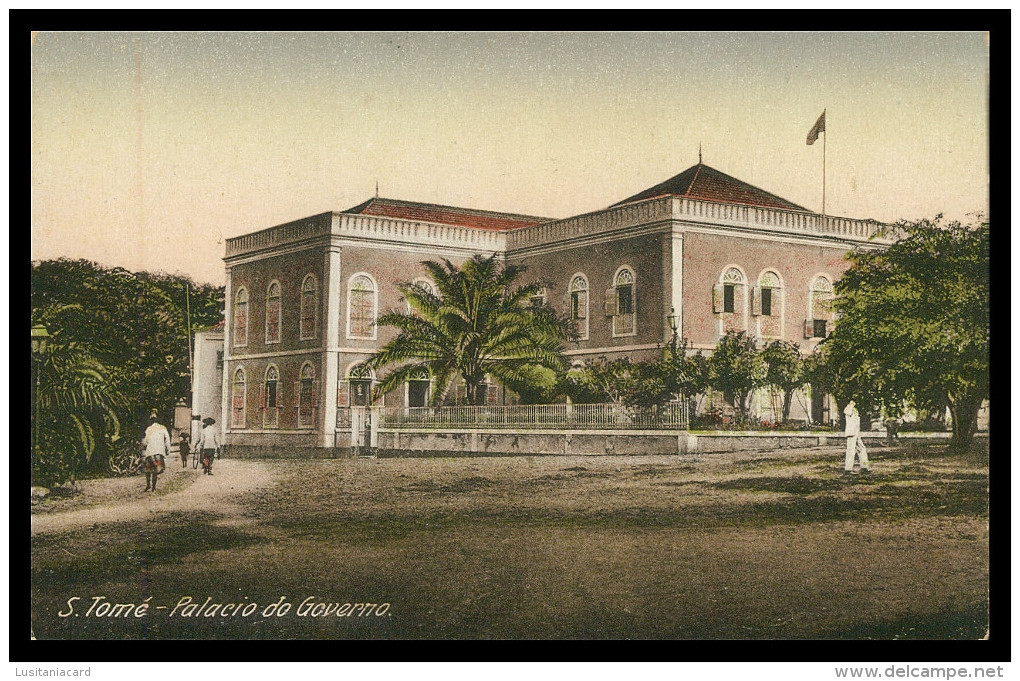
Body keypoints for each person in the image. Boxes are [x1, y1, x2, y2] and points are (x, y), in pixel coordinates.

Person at [142, 411, 171, 491]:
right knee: (155, 470)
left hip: (150, 452)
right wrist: (168, 450)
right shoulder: (163, 428)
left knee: (148, 469)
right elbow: (167, 440)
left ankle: (148, 484)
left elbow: (145, 441)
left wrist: (145, 447)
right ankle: (154, 487)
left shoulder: (149, 429)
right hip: (159, 452)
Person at [843, 400, 870, 475]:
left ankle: (864, 467)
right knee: (851, 451)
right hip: (851, 432)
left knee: (862, 449)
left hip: (856, 432)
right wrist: (851, 404)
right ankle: (848, 469)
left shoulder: (855, 410)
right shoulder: (848, 408)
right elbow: (847, 412)